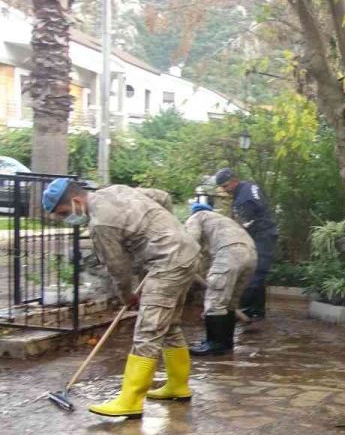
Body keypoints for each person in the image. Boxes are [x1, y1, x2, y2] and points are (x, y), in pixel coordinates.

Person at [43, 179, 201, 417]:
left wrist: (128, 296)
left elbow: (118, 268)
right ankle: (178, 386)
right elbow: (162, 196)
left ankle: (130, 400)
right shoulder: (118, 190)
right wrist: (170, 229)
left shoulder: (100, 225)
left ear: (76, 201)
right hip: (186, 253)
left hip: (167, 262)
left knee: (148, 331)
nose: (66, 218)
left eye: (64, 213)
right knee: (169, 326)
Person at [183, 202, 258, 355]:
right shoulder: (223, 221)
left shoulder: (197, 217)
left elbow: (190, 243)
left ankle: (213, 344)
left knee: (215, 301)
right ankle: (225, 343)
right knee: (229, 303)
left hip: (229, 254)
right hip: (251, 255)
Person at [212, 167, 276, 320]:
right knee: (257, 274)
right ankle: (257, 311)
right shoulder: (248, 187)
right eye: (221, 187)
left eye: (225, 186)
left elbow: (243, 225)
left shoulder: (245, 199)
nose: (224, 190)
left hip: (262, 236)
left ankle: (246, 309)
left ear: (234, 181)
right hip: (263, 233)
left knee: (254, 273)